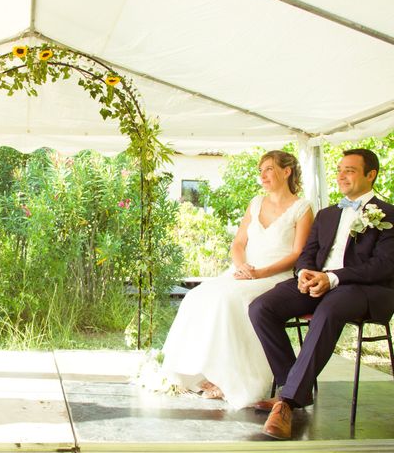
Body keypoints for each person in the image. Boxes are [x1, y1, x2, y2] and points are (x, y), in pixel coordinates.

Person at [249, 148, 394, 440]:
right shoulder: (327, 214)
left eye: (350, 170)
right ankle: (292, 384)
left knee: (329, 309)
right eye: (339, 169)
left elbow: (383, 266)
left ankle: (287, 402)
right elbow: (308, 253)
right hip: (320, 283)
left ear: (371, 175)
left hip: (365, 290)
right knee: (261, 307)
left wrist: (332, 278)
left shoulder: (389, 214)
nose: (341, 175)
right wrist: (304, 274)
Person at [160, 150, 313, 409]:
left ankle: (229, 378)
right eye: (260, 170)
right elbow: (239, 243)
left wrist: (260, 273)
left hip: (276, 276)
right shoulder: (255, 203)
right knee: (198, 296)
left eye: (268, 169)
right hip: (245, 272)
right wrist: (241, 266)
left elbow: (299, 254)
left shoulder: (302, 208)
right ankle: (200, 371)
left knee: (229, 301)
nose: (262, 175)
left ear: (286, 172)